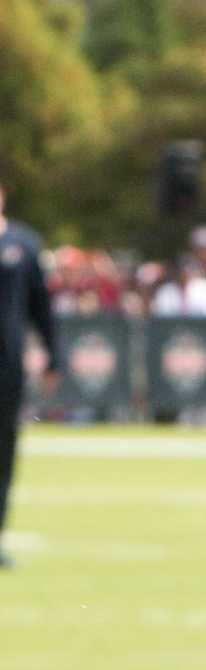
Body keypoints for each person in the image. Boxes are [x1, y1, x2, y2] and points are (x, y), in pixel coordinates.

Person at [0, 180, 58, 569]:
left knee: (3, 454)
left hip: (7, 367)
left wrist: (54, 356)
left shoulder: (23, 243)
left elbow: (42, 305)